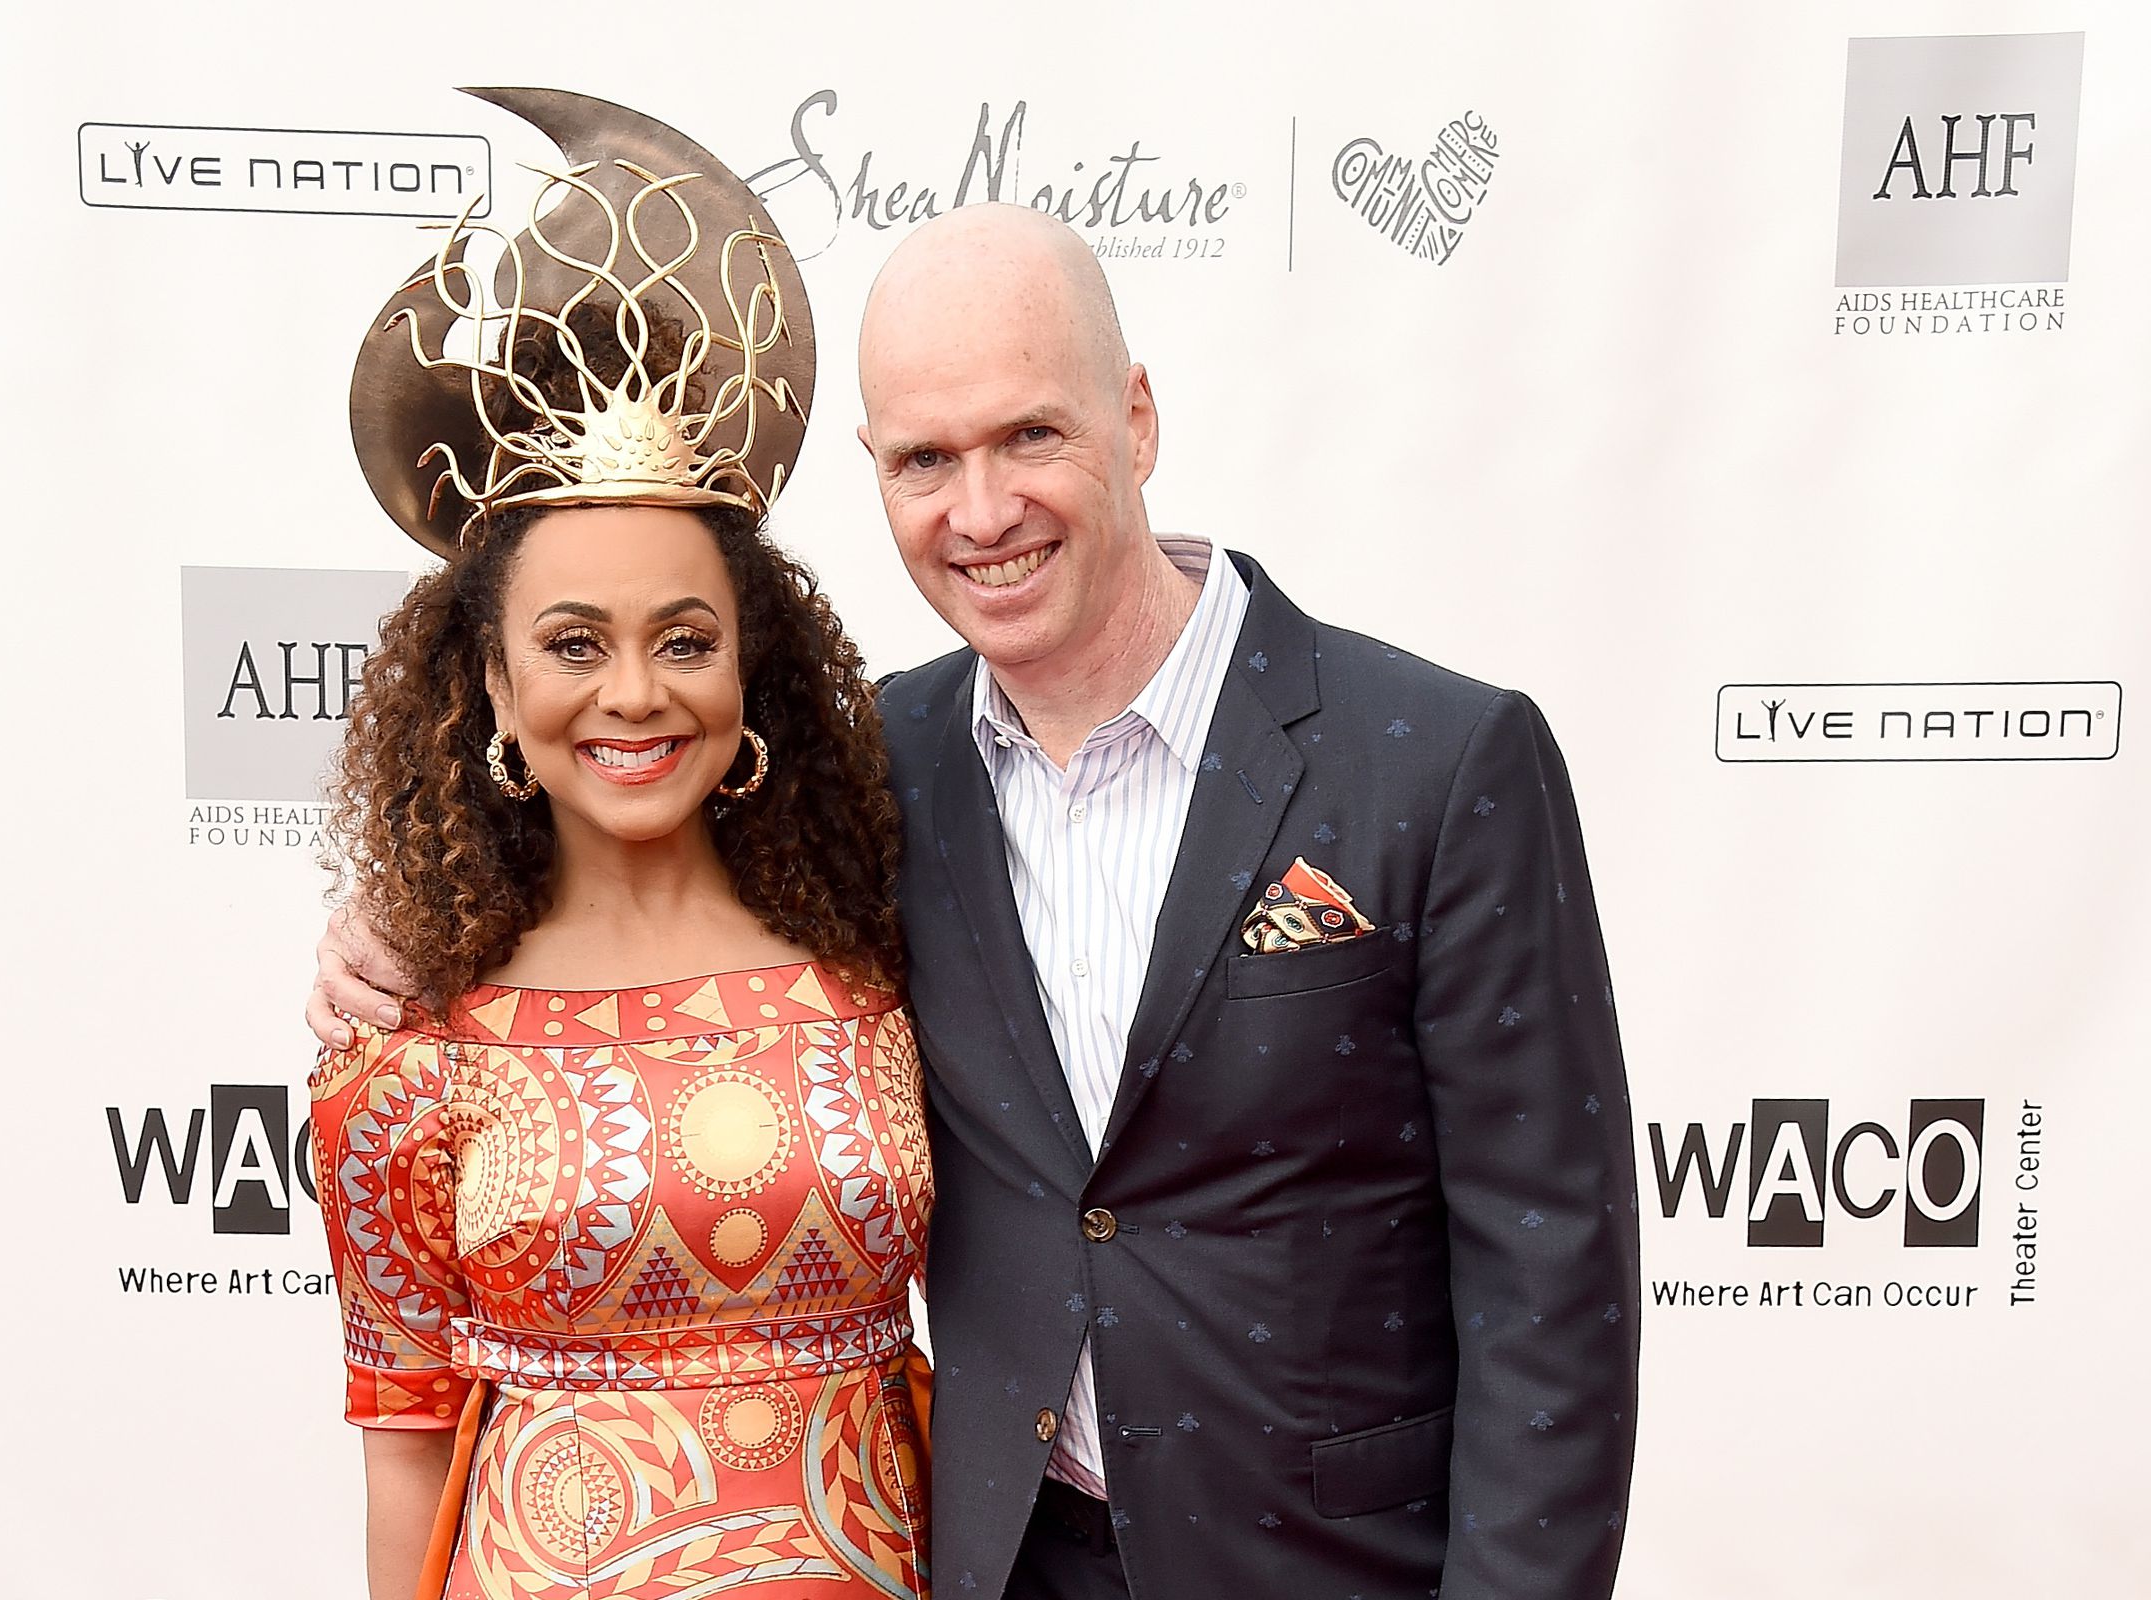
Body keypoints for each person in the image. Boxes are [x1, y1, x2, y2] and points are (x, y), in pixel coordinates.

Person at [320, 197, 1640, 1600]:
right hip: (1001, 1564)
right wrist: (397, 932)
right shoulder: (878, 776)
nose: (983, 510)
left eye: (1032, 435)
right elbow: (614, 805)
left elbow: (1552, 1282)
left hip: (1333, 1566)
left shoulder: (1434, 761)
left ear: (1136, 418)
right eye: (925, 460)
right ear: (874, 473)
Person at [308, 89, 930, 1600]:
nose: (635, 694)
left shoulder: (889, 953)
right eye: (574, 642)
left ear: (750, 673)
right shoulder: (402, 1044)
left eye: (685, 638)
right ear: (497, 693)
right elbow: (405, 1440)